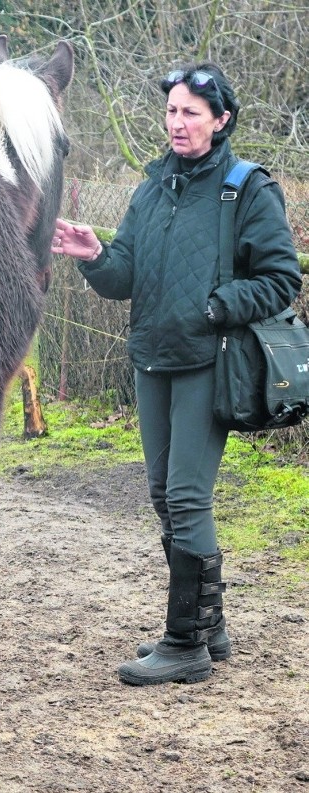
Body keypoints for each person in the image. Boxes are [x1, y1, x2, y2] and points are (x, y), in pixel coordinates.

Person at [52, 64, 302, 685]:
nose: (177, 123)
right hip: (151, 358)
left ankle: (184, 642)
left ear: (220, 121)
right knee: (165, 496)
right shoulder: (150, 187)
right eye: (171, 111)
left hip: (207, 363)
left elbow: (281, 280)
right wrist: (95, 257)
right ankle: (208, 626)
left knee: (187, 497)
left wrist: (217, 306)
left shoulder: (247, 189)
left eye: (191, 112)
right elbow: (124, 277)